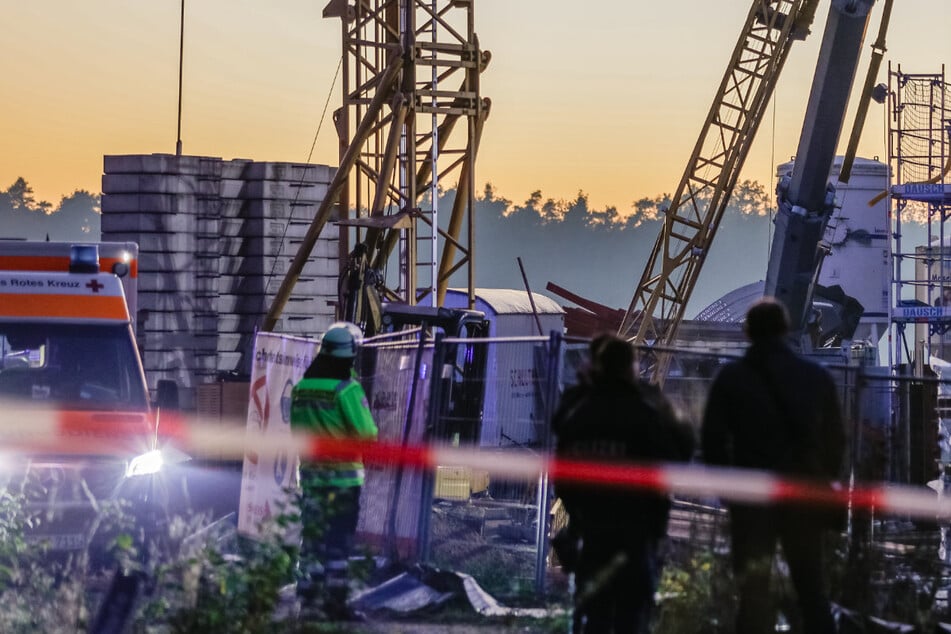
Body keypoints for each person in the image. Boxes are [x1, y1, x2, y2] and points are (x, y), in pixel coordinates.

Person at [701, 297, 846, 634]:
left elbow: (712, 440)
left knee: (753, 594)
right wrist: (822, 480)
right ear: (785, 329)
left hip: (752, 498)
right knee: (811, 591)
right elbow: (836, 439)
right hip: (802, 495)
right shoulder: (815, 376)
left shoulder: (732, 377)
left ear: (747, 331)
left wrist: (729, 489)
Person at [552, 333, 694, 634]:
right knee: (632, 615)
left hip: (590, 530)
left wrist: (578, 513)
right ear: (631, 367)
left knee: (593, 613)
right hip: (637, 532)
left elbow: (562, 474)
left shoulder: (578, 410)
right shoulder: (645, 410)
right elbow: (679, 452)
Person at [291, 323, 378, 617]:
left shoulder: (301, 389)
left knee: (312, 539)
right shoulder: (347, 389)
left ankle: (307, 600)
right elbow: (367, 434)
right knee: (338, 545)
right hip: (343, 482)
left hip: (312, 479)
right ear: (349, 355)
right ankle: (335, 602)